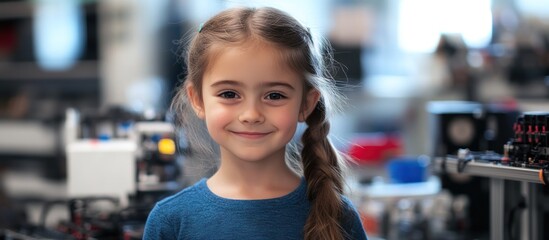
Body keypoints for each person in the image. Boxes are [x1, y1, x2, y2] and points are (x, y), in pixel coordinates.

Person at [143, 7, 368, 240]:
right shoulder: (170, 220)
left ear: (306, 104)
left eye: (274, 96)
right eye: (229, 94)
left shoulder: (339, 216)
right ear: (198, 100)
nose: (251, 114)